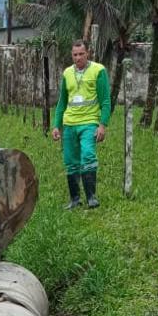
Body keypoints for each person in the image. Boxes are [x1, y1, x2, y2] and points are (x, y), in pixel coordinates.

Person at [52, 40, 111, 209]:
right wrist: (57, 125)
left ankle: (91, 197)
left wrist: (102, 125)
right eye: (75, 55)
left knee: (88, 156)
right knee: (70, 161)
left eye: (81, 54)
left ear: (87, 53)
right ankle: (75, 199)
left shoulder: (98, 70)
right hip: (69, 124)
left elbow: (105, 100)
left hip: (89, 122)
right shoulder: (67, 73)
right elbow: (62, 103)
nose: (78, 58)